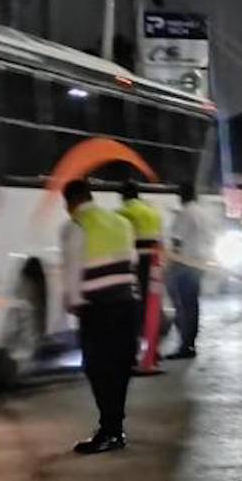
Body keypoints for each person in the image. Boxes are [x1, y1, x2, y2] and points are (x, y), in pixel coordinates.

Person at [61, 178, 141, 454]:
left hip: (98, 308)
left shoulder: (75, 227)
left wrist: (73, 303)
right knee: (120, 369)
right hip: (127, 304)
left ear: (69, 202)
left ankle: (109, 431)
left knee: (98, 370)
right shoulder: (121, 222)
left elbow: (72, 270)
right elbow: (131, 261)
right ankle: (115, 427)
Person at [166, 180, 218, 359]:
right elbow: (211, 238)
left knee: (183, 306)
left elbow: (177, 240)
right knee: (193, 305)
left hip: (185, 264)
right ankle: (190, 343)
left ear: (181, 195)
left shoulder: (184, 213)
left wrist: (171, 262)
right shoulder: (203, 213)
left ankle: (185, 346)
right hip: (200, 263)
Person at [119, 179, 165, 369]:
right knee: (153, 306)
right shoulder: (152, 212)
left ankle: (134, 352)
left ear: (123, 196)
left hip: (137, 264)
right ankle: (155, 350)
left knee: (135, 308)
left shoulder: (124, 213)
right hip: (155, 264)